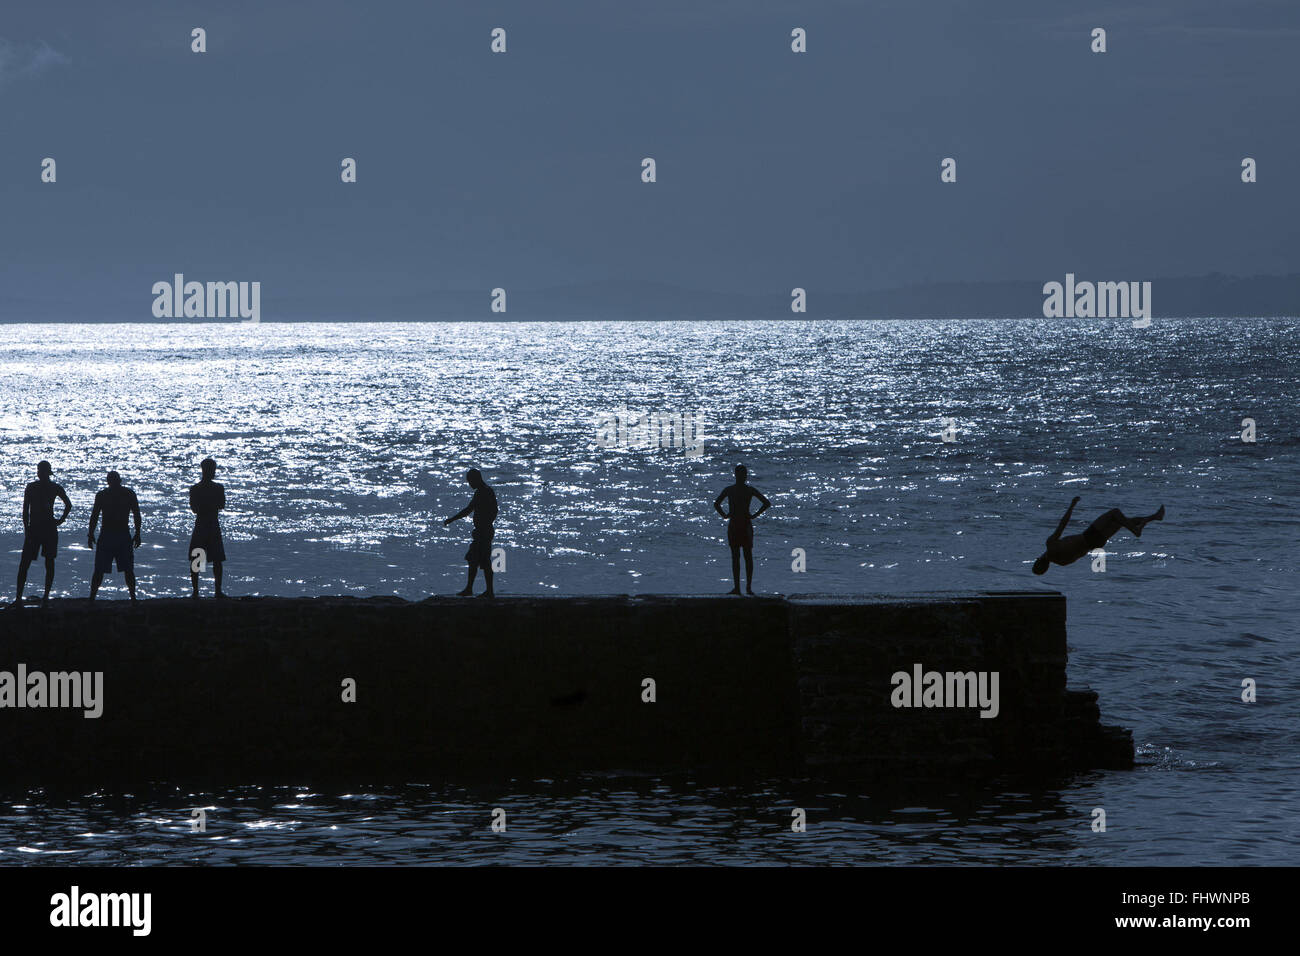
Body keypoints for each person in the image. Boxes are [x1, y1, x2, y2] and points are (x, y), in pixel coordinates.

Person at [1032, 496, 1164, 575]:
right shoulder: (1051, 545)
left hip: (1096, 544)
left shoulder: (1062, 562)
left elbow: (1081, 554)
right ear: (1038, 559)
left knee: (1122, 520)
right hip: (1089, 535)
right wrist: (1072, 505)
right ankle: (1137, 531)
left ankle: (1154, 517)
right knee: (1115, 513)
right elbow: (1063, 524)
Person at [15, 460, 71, 606]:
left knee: (36, 562)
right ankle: (34, 597)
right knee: (38, 562)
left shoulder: (36, 487)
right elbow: (26, 509)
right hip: (42, 529)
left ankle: (31, 597)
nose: (39, 473)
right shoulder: (46, 487)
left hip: (40, 529)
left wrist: (59, 521)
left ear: (42, 472)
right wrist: (59, 521)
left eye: (40, 471)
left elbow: (25, 510)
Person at [713, 464, 771, 595]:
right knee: (740, 557)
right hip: (741, 524)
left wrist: (725, 515)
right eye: (741, 474)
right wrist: (725, 515)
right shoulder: (745, 490)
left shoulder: (733, 490)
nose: (742, 477)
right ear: (738, 475)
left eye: (743, 474)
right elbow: (766, 503)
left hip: (740, 525)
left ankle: (744, 588)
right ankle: (741, 588)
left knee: (744, 557)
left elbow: (716, 504)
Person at [88, 470, 142, 601]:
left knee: (125, 569)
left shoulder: (123, 494)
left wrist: (138, 533)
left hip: (118, 535)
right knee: (103, 570)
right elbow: (94, 516)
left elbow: (136, 514)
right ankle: (93, 598)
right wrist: (90, 534)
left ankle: (132, 597)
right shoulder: (124, 494)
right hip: (112, 535)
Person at [444, 468, 497, 598]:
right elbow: (470, 509)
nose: (470, 485)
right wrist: (453, 519)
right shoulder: (482, 492)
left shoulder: (484, 492)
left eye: (470, 481)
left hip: (483, 532)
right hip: (481, 532)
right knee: (474, 559)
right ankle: (473, 589)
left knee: (482, 560)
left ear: (476, 479)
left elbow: (492, 510)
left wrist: (452, 519)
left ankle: (486, 591)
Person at [189, 458, 227, 598]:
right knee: (199, 558)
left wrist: (205, 505)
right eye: (212, 470)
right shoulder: (212, 488)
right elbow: (196, 508)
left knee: (215, 559)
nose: (213, 472)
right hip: (206, 524)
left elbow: (220, 505)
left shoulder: (199, 489)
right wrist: (210, 504)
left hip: (208, 524)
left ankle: (213, 591)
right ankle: (197, 591)